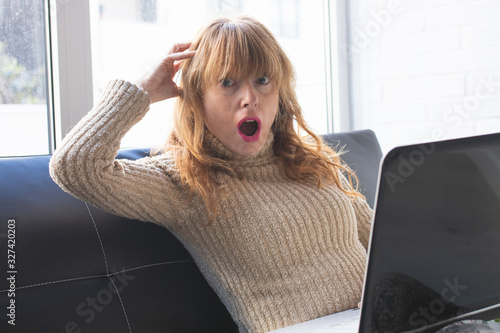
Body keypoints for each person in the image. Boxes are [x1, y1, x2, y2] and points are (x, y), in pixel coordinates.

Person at [49, 16, 373, 333]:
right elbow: (75, 166)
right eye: (228, 83)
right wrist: (140, 91)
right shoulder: (184, 180)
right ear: (198, 97)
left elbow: (381, 239)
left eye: (262, 80)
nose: (250, 99)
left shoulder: (310, 162)